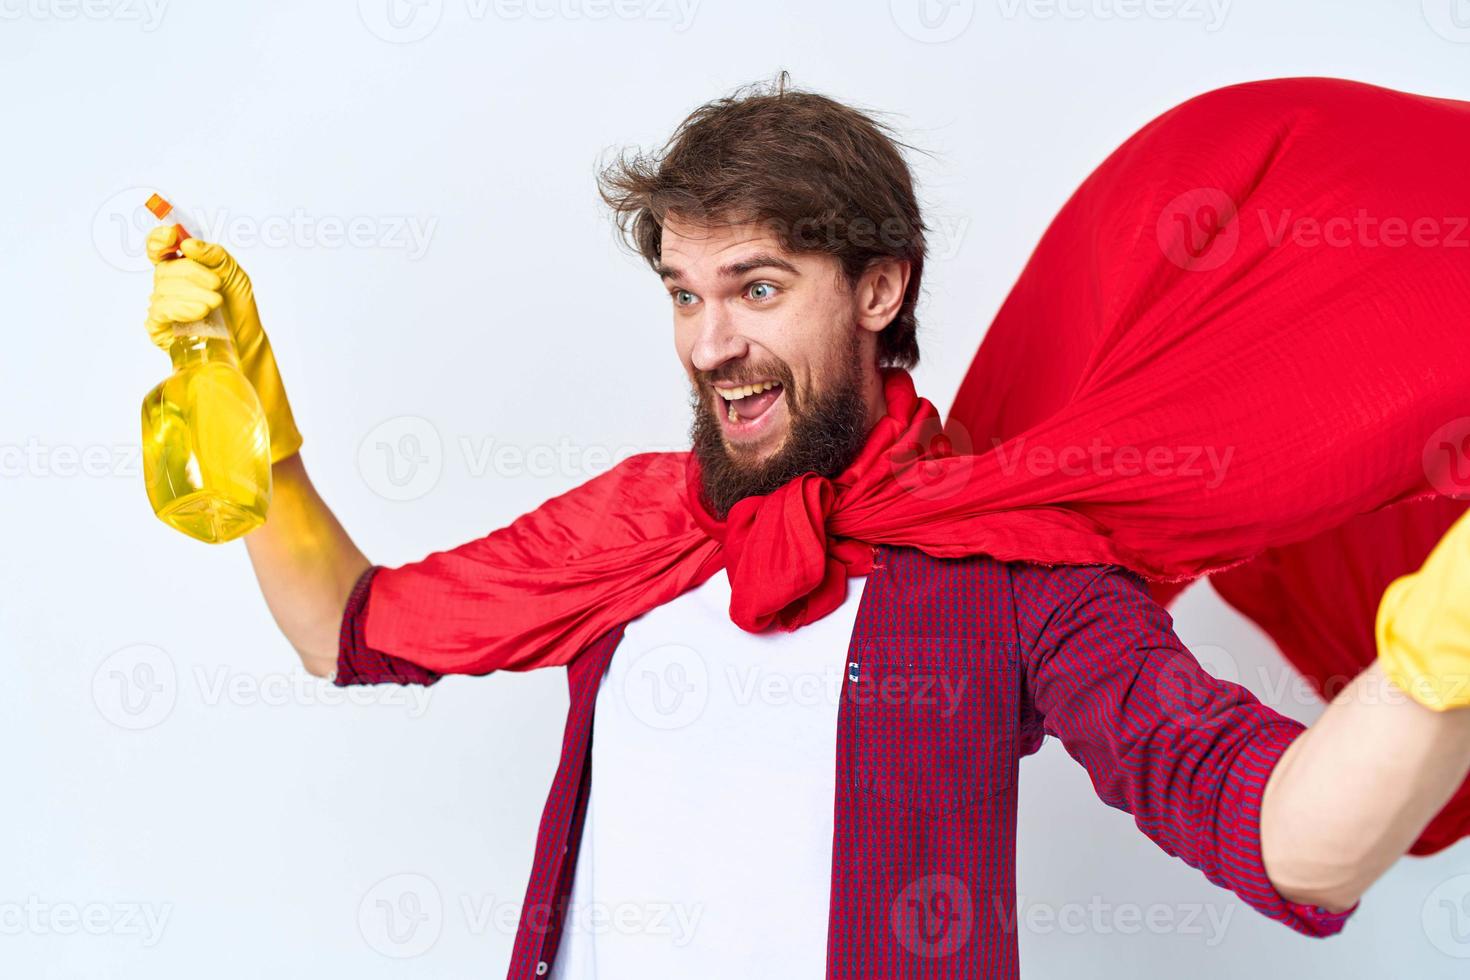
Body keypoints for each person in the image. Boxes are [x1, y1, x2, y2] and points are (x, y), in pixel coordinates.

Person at [142, 77, 1470, 979]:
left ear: (879, 288)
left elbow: (1283, 836)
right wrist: (253, 418)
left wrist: (1435, 658)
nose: (710, 341)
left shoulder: (1013, 568)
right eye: (682, 291)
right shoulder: (643, 524)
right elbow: (343, 629)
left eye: (758, 286)